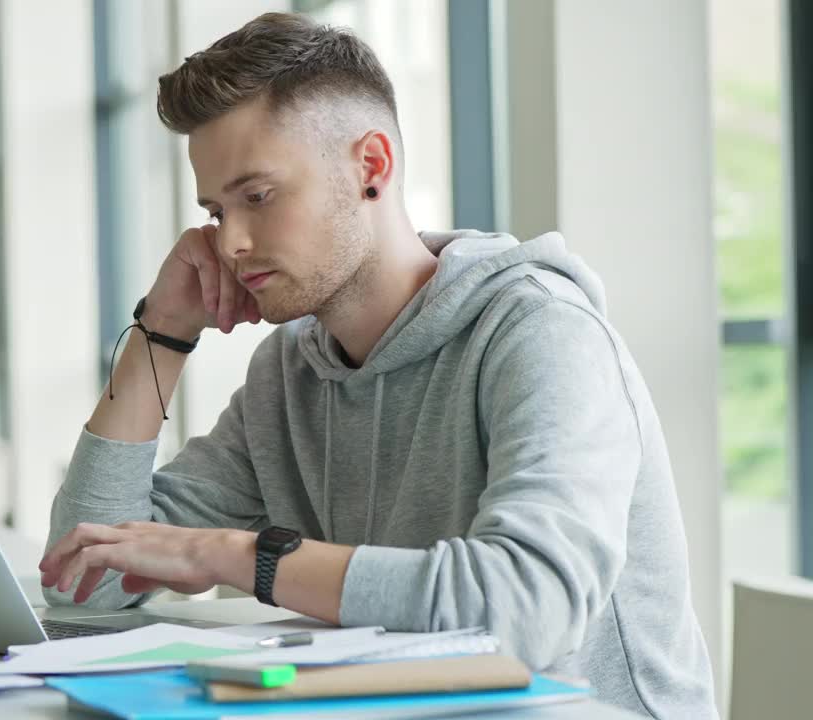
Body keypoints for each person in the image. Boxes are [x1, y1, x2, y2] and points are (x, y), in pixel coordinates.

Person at [37, 12, 716, 718]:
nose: (230, 241)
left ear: (371, 167)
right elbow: (83, 576)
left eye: (258, 197)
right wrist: (163, 332)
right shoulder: (290, 374)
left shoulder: (541, 333)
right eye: (215, 211)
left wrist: (240, 556)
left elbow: (526, 611)